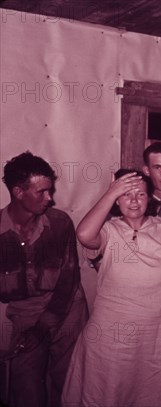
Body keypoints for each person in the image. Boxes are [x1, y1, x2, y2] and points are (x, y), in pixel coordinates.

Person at [61, 169, 161, 407]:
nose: (134, 201)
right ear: (116, 199)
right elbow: (83, 234)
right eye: (126, 194)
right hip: (110, 335)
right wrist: (111, 192)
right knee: (107, 391)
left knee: (151, 393)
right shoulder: (108, 231)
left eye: (141, 195)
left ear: (149, 198)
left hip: (157, 335)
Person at [0, 152, 88, 407]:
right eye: (41, 192)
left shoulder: (60, 223)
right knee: (26, 389)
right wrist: (33, 328)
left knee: (70, 383)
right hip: (25, 314)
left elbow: (69, 280)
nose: (50, 198)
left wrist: (43, 327)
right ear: (18, 192)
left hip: (68, 307)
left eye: (50, 191)